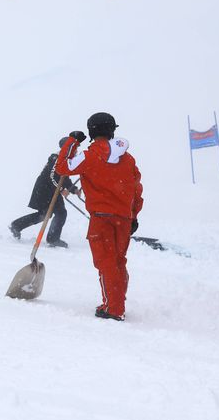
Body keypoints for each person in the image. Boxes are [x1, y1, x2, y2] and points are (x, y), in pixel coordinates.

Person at [56, 112, 143, 321]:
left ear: (91, 131)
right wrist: (133, 216)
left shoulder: (89, 156)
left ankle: (113, 309)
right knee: (119, 261)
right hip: (123, 219)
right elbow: (136, 189)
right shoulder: (128, 158)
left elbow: (62, 167)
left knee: (106, 263)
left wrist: (72, 141)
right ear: (112, 130)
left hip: (101, 218)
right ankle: (117, 302)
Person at [8, 137, 79, 248]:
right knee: (58, 213)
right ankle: (53, 239)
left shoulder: (67, 159)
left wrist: (73, 189)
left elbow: (64, 178)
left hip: (52, 189)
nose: (76, 150)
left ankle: (16, 225)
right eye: (74, 148)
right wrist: (61, 190)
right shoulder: (57, 158)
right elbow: (51, 177)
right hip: (45, 189)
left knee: (45, 214)